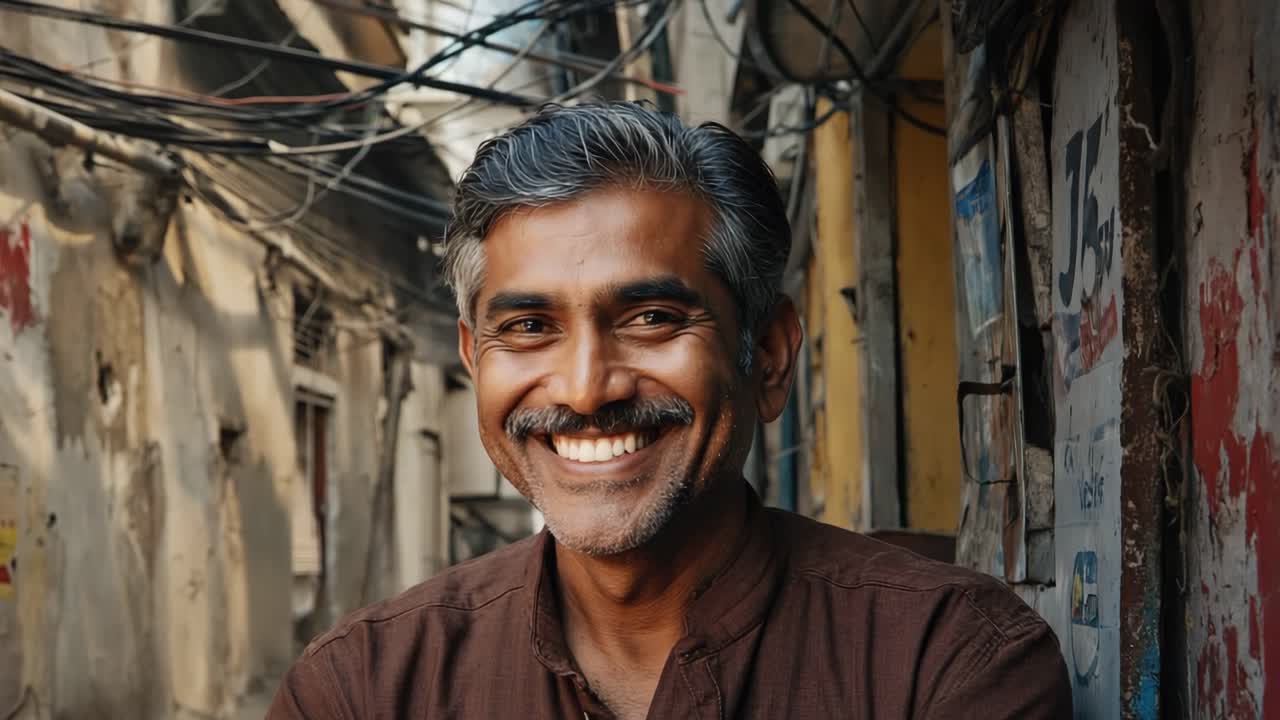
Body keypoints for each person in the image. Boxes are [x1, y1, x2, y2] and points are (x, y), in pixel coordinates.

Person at [267, 101, 1071, 719]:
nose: (585, 390)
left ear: (769, 354)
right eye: (529, 327)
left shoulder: (945, 662)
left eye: (652, 318)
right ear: (475, 361)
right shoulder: (363, 689)